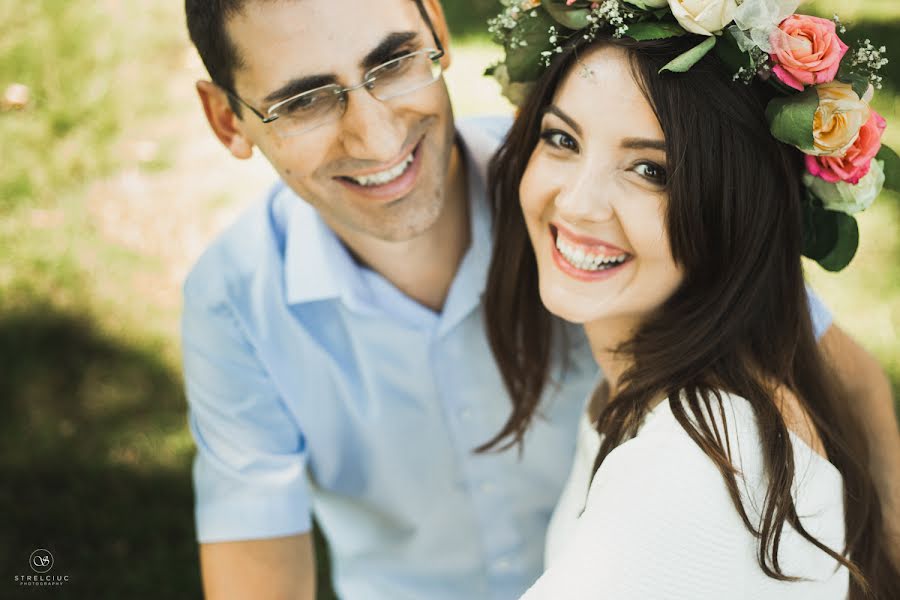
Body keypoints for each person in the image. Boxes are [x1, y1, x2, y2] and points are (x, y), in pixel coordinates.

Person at [181, 0, 900, 598]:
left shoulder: (699, 457)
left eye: (393, 62)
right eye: (303, 99)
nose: (375, 135)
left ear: (436, 28)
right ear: (226, 120)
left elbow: (824, 363)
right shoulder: (234, 301)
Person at [482, 6, 900, 599]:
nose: (576, 204)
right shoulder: (660, 398)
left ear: (734, 212)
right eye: (561, 139)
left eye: (650, 169)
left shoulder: (697, 469)